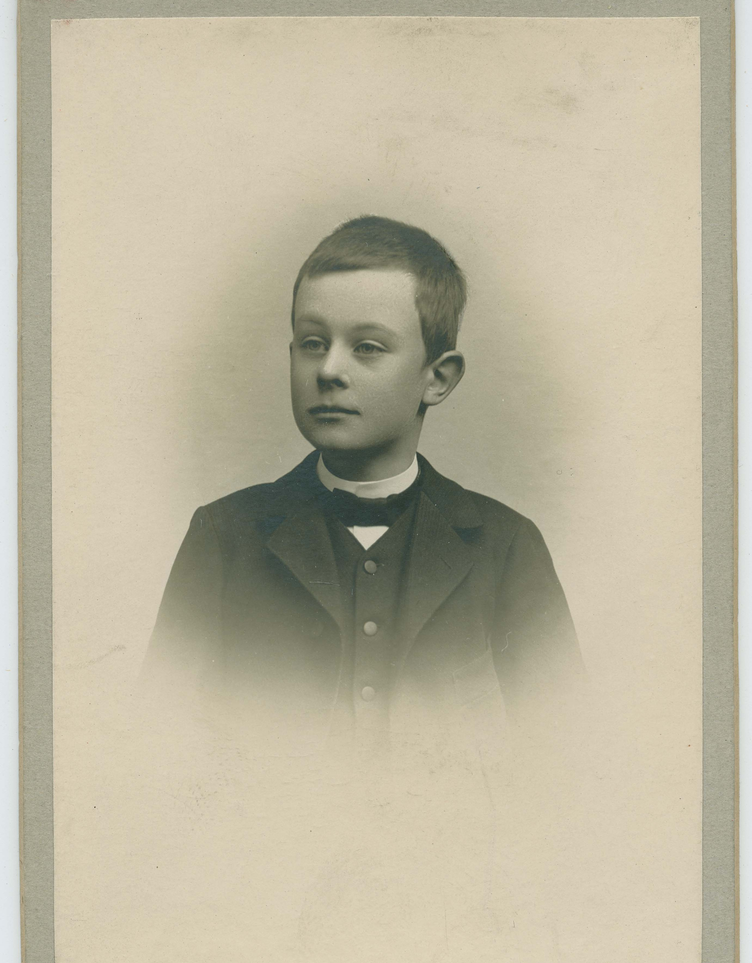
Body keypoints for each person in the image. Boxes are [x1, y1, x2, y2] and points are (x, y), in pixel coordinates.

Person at [146, 216, 582, 744]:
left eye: (368, 347)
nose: (328, 370)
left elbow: (565, 752)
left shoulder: (506, 546)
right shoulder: (223, 537)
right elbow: (156, 745)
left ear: (437, 378)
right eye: (312, 343)